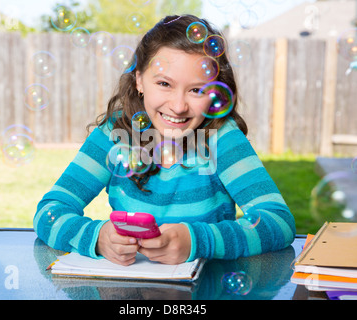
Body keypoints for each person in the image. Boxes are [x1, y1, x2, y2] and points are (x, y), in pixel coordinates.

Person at [33, 14, 296, 266]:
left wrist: (198, 241)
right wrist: (99, 237)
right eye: (164, 84)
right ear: (139, 80)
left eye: (196, 90)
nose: (179, 106)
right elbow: (50, 211)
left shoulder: (221, 137)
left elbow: (279, 222)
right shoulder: (113, 134)